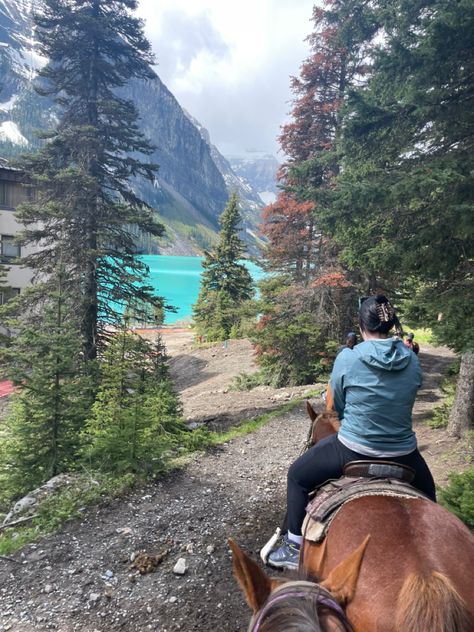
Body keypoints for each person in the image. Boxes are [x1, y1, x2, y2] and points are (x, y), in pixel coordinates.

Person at [268, 295, 436, 571]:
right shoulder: (412, 360)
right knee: (430, 497)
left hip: (353, 448)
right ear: (392, 325)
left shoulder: (348, 358)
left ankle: (293, 545)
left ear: (360, 325)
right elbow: (409, 396)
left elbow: (339, 405)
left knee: (297, 476)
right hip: (405, 454)